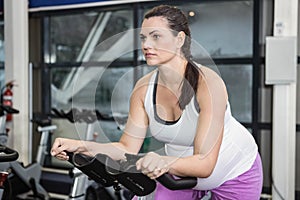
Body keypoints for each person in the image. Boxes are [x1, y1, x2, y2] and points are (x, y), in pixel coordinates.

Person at [51, 4, 263, 200]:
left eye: (156, 36)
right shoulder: (143, 89)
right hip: (178, 173)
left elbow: (205, 164)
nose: (146, 45)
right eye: (143, 38)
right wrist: (81, 146)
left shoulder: (208, 83)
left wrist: (163, 161)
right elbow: (127, 148)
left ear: (180, 40)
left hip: (235, 170)